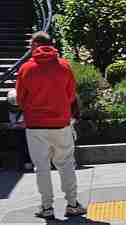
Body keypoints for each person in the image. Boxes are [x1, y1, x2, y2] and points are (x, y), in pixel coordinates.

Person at [15, 31, 86, 218]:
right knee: (66, 164)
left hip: (35, 126)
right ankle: (72, 204)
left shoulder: (26, 69)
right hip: (61, 123)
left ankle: (47, 207)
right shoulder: (64, 66)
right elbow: (71, 95)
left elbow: (21, 99)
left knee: (41, 167)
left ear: (35, 46)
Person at [5, 88, 32, 173]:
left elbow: (26, 123)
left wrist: (14, 125)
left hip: (25, 131)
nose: (15, 108)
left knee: (23, 139)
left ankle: (27, 162)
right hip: (16, 130)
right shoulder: (9, 109)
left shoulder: (26, 108)